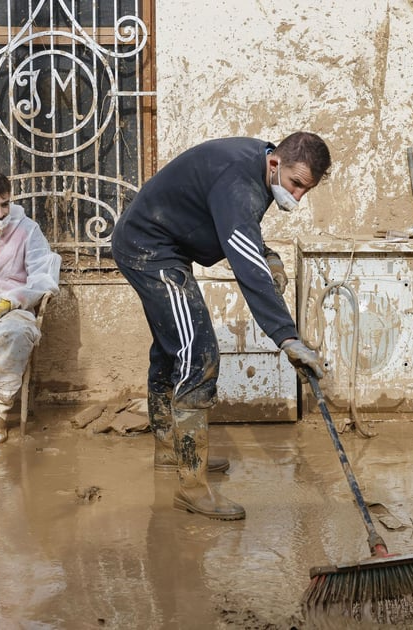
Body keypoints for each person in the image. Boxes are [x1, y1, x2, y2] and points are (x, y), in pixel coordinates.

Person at [112, 132, 330, 521]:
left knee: (171, 347)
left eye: (305, 191)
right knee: (198, 353)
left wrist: (268, 254)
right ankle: (192, 487)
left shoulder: (259, 164)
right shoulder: (239, 179)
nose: (296, 198)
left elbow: (238, 225)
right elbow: (245, 263)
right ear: (276, 164)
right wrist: (288, 337)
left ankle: (170, 450)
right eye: (296, 185)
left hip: (166, 244)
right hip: (148, 248)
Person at [0, 169, 62, 444]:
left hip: (12, 307)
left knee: (18, 334)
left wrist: (11, 300)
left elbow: (43, 276)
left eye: (4, 204)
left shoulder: (27, 229)